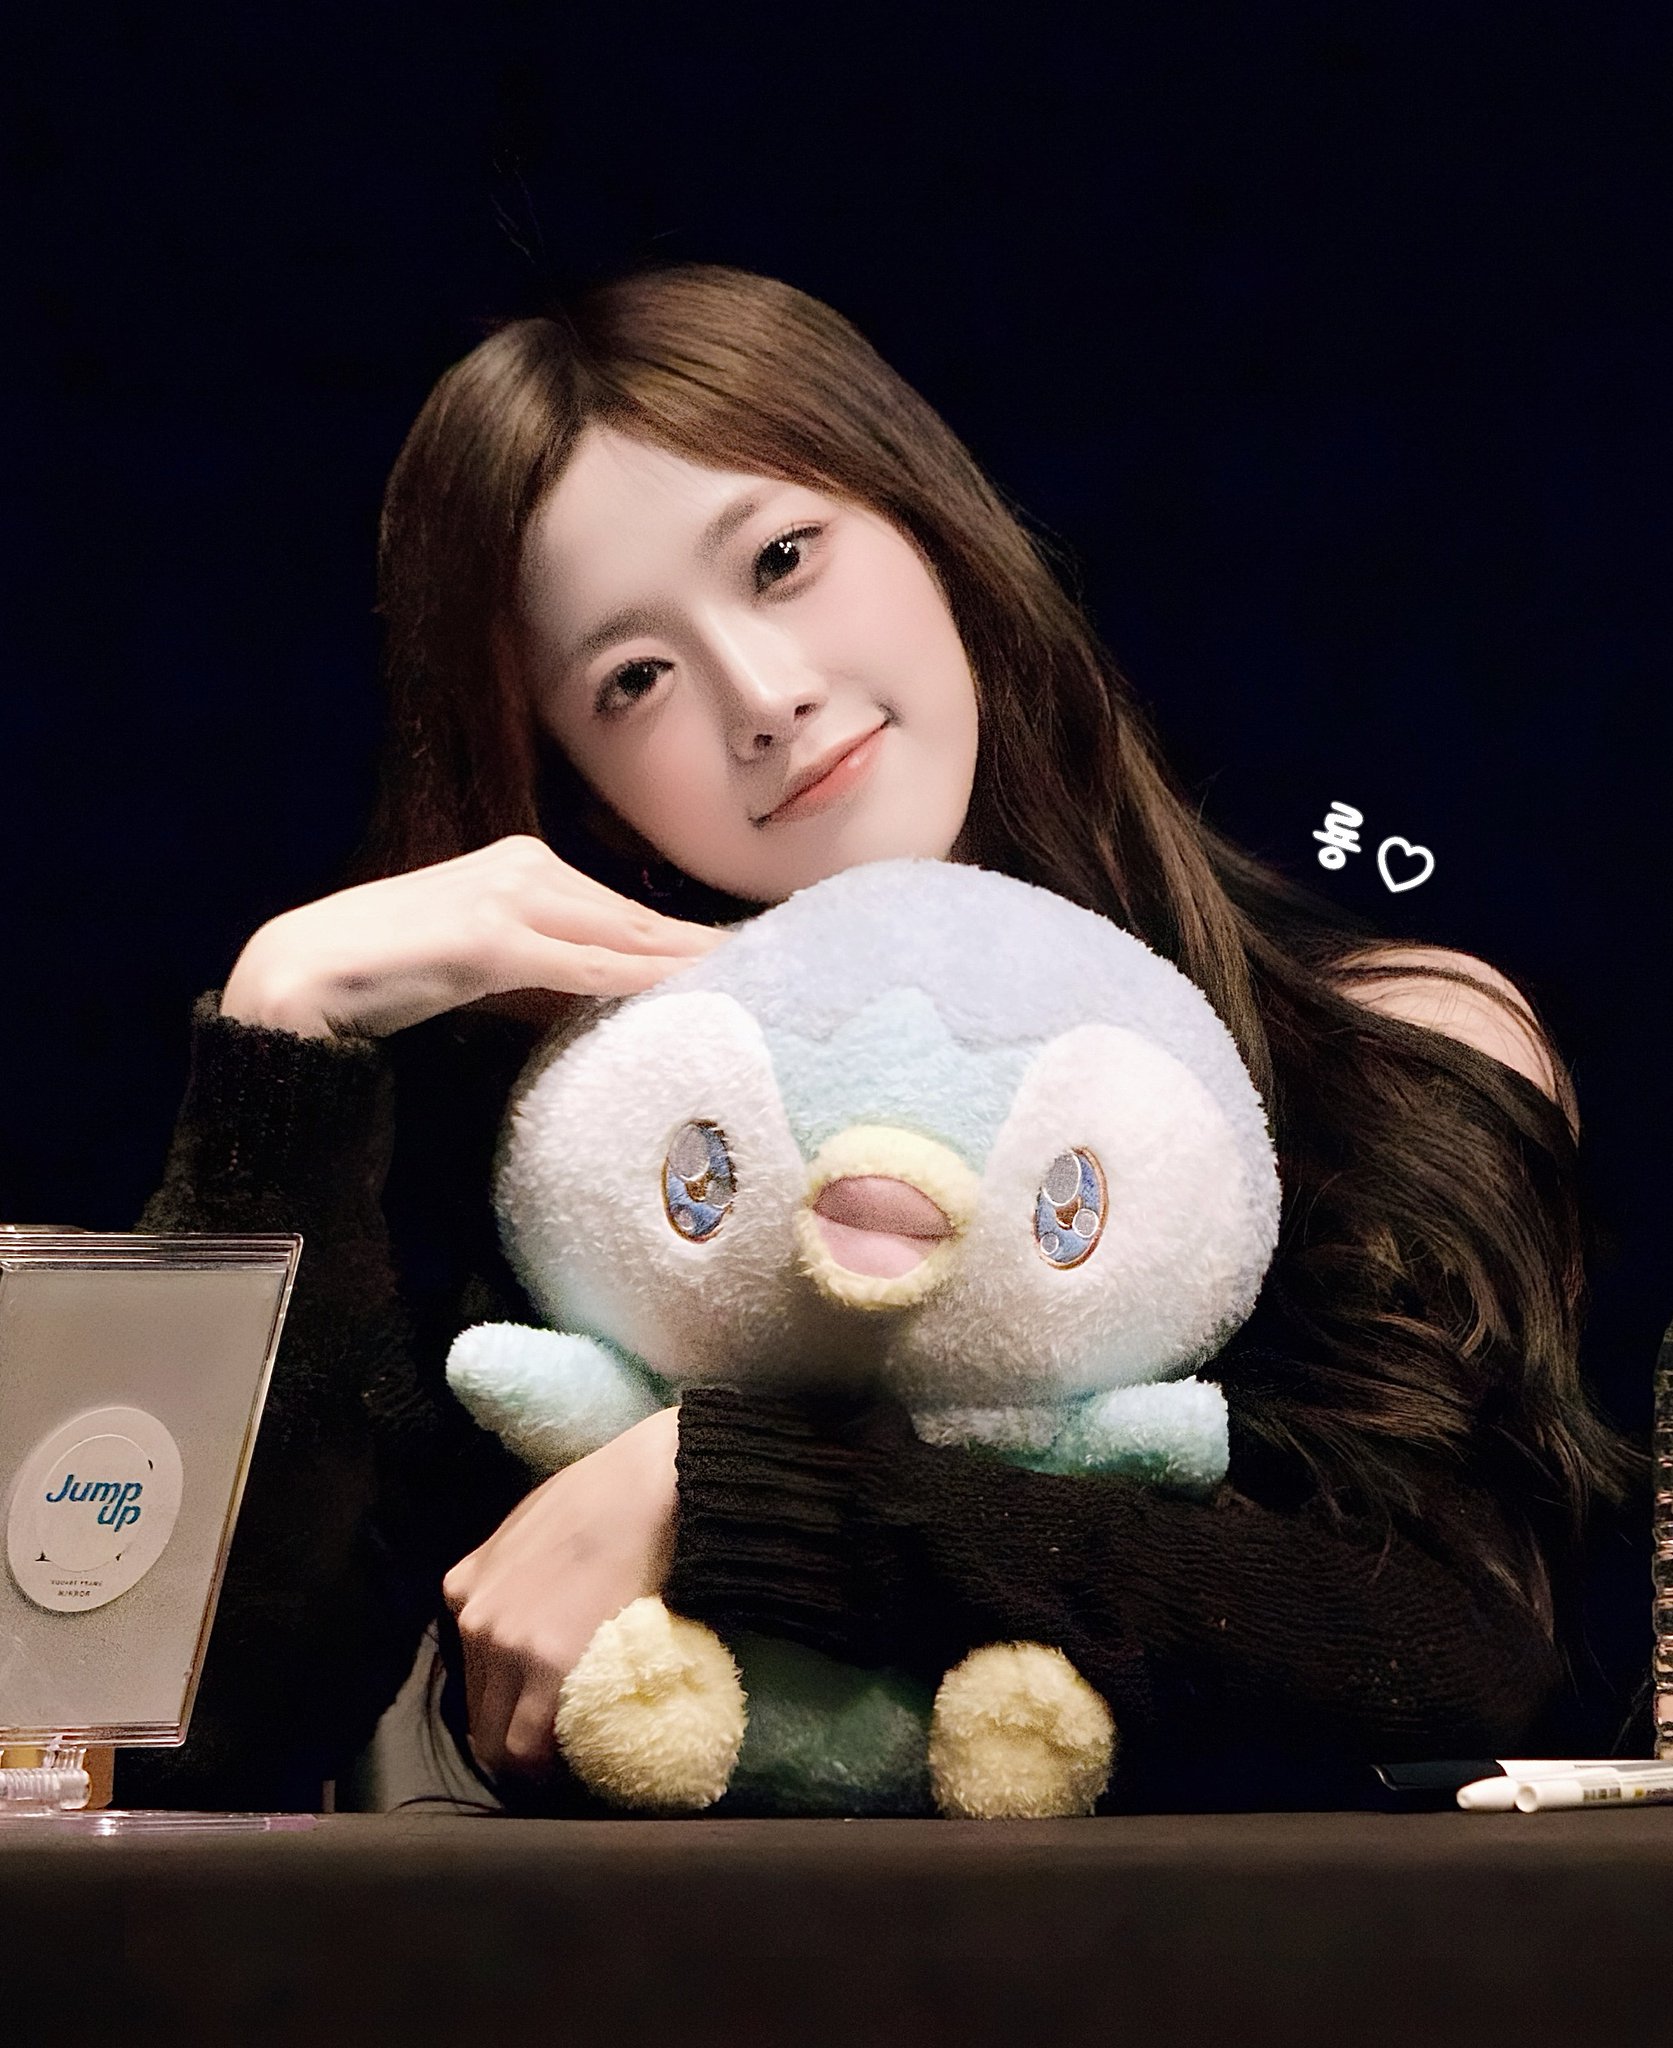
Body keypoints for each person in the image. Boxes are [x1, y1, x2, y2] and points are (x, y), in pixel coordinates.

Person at [124, 264, 1635, 1814]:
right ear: (583, 790)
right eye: (632, 679)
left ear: (929, 522)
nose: (763, 695)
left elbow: (1450, 1645)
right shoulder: (561, 1169)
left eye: (782, 559)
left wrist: (717, 1490)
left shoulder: (1382, 1050)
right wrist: (280, 1039)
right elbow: (181, 1735)